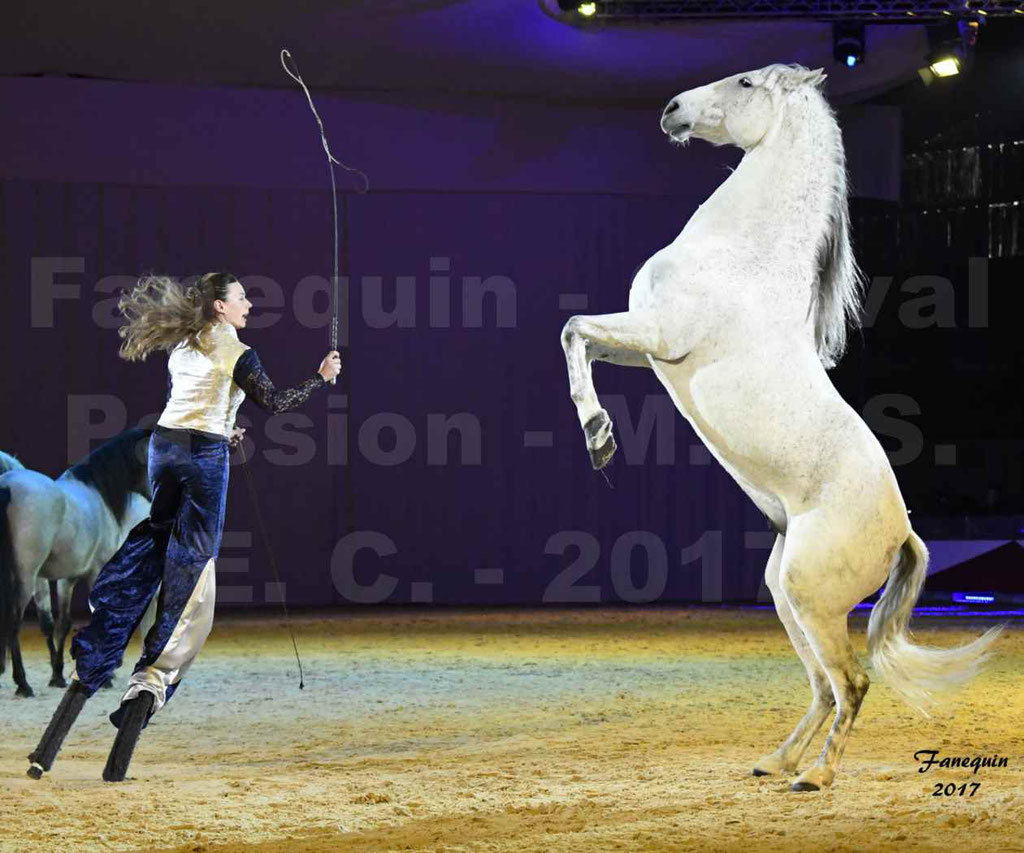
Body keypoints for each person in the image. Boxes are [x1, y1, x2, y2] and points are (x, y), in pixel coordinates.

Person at [28, 272, 341, 782]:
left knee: (150, 546)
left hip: (164, 449)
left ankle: (61, 723)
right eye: (241, 298)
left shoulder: (183, 344)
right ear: (219, 307)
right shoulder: (242, 353)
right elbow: (277, 403)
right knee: (192, 583)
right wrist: (321, 377)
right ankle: (142, 701)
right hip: (202, 460)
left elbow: (196, 405)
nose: (249, 305)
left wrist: (224, 427)